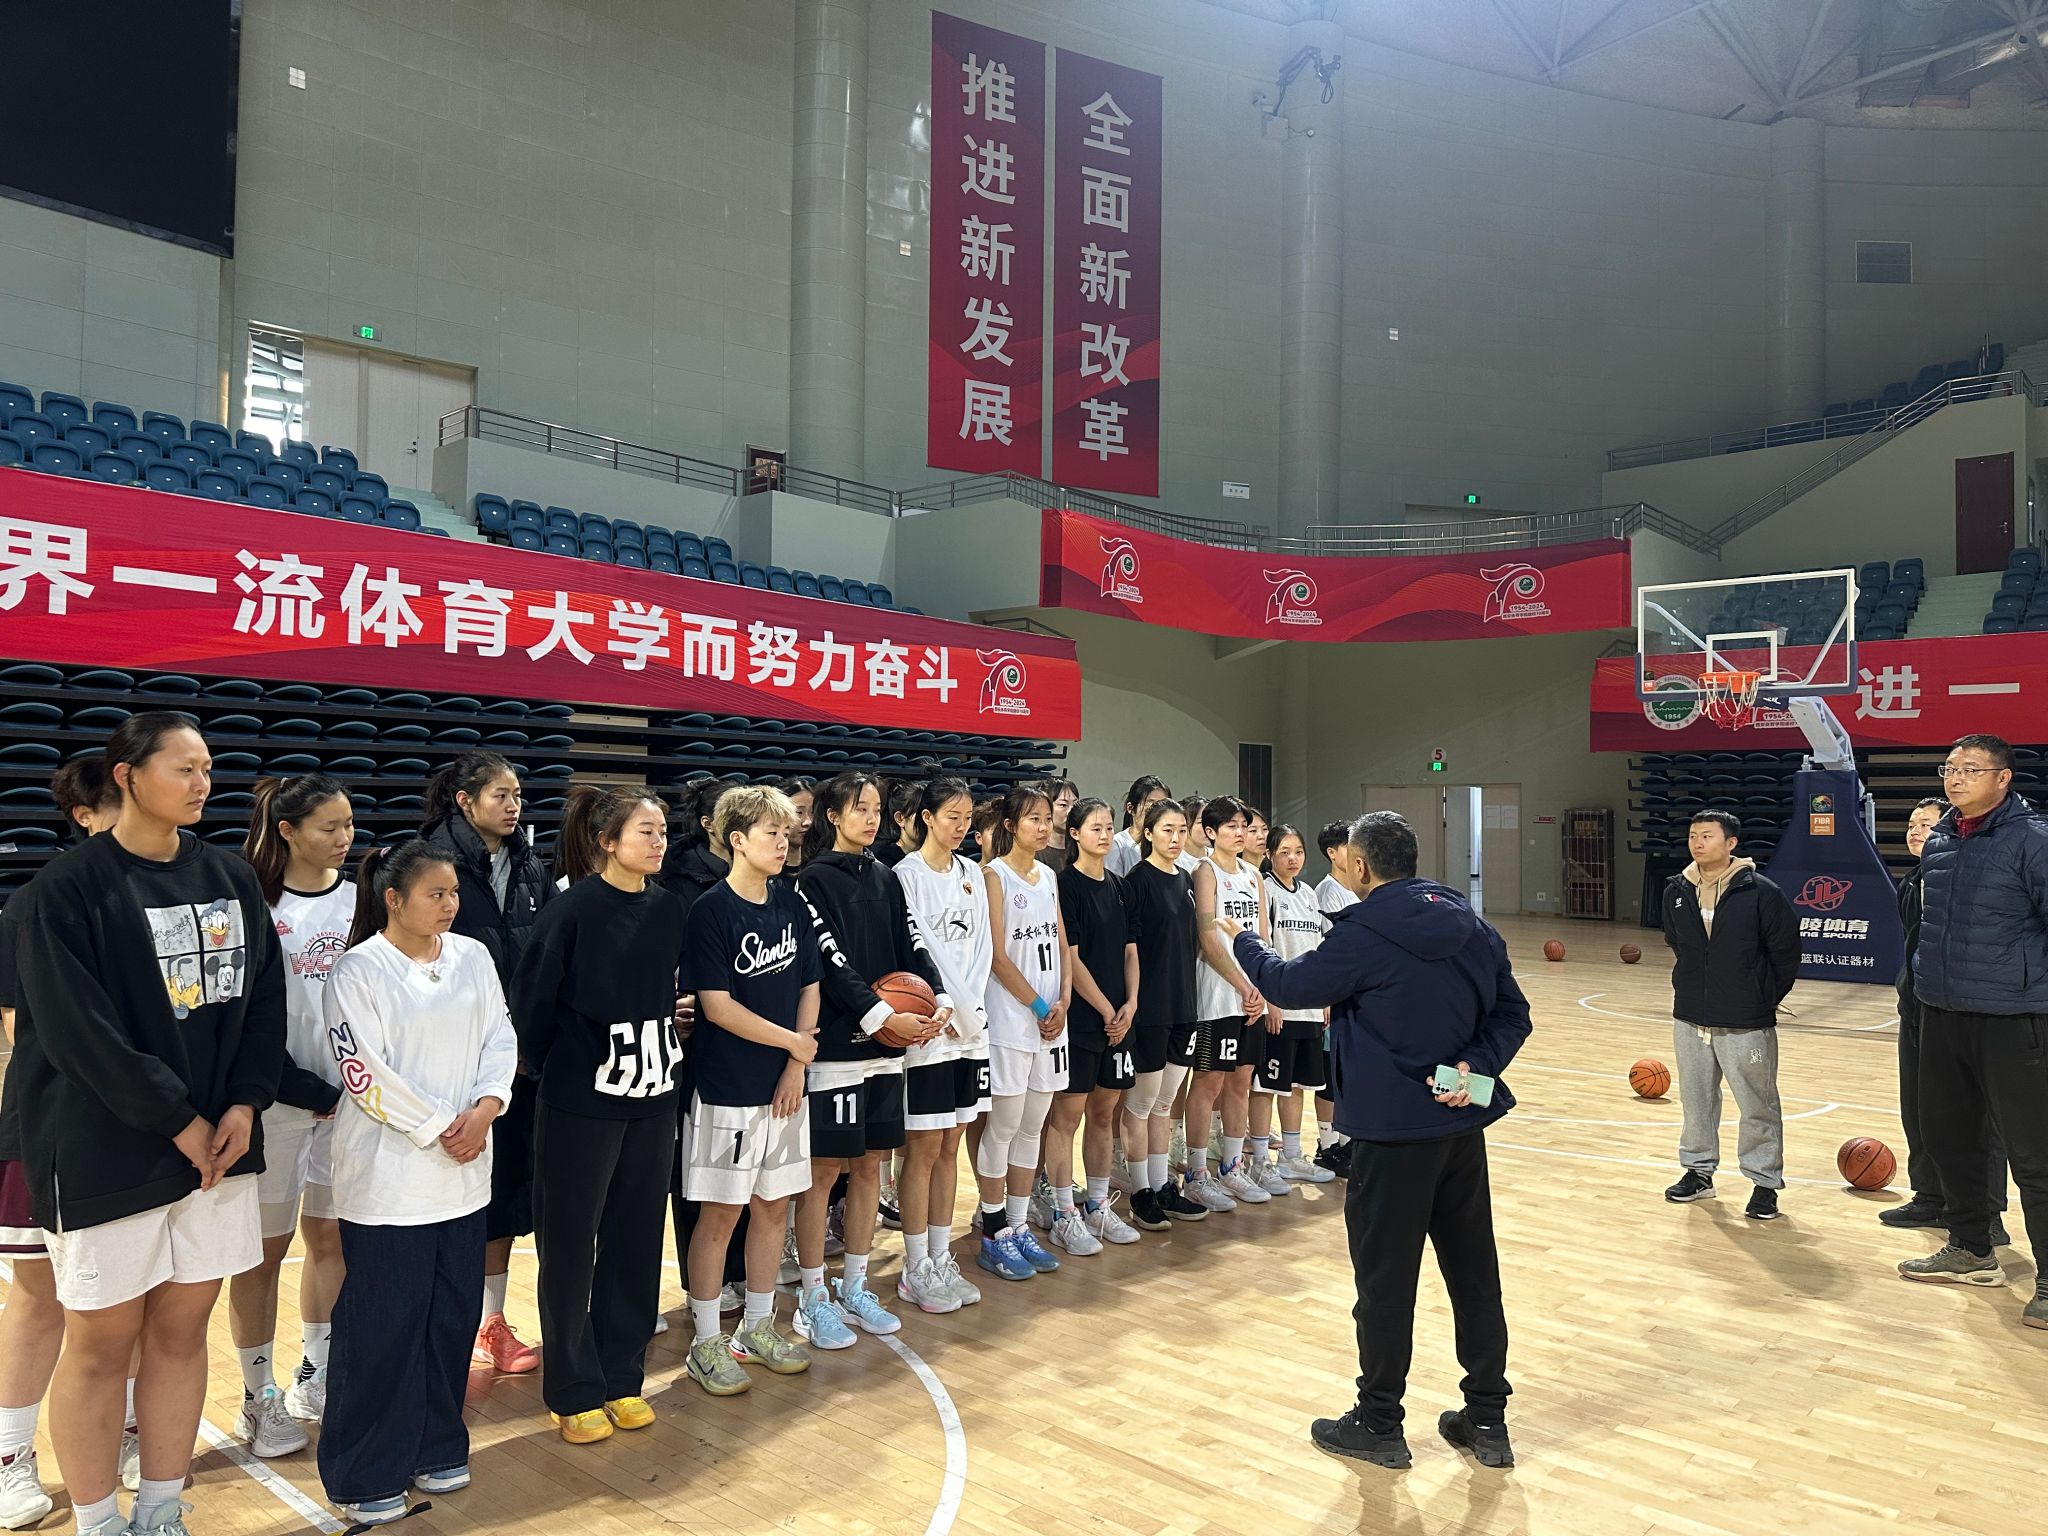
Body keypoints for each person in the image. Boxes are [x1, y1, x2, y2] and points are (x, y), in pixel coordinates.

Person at [9, 714, 286, 1536]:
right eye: (184, 768)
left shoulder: (231, 877)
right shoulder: (65, 891)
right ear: (128, 776)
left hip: (219, 1150)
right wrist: (177, 1119)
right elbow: (80, 1034)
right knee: (100, 1346)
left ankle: (162, 1509)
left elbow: (263, 1003)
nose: (202, 783)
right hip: (106, 1152)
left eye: (207, 768)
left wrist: (244, 1103)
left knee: (181, 1333)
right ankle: (97, 1520)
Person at [1231, 811, 1530, 1471]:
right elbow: (1514, 1013)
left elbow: (1286, 985)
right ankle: (1487, 1420)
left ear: (1361, 866)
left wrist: (1242, 940)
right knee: (1475, 1275)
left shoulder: (1364, 932)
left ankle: (1379, 1422)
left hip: (1391, 1135)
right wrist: (1476, 1067)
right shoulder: (1470, 921)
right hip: (1461, 1125)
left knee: (1385, 1284)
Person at [318, 840, 516, 1526]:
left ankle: (436, 1443)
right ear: (393, 899)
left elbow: (501, 1038)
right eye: (435, 894)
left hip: (465, 1176)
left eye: (454, 892)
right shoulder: (358, 970)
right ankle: (362, 1470)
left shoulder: (473, 956)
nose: (450, 904)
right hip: (389, 1183)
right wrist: (440, 1126)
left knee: (450, 1318)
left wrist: (486, 1108)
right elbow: (364, 1073)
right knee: (383, 1327)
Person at [510, 786, 685, 1443]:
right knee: (569, 1246)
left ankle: (621, 1377)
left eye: (662, 831)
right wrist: (547, 1067)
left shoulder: (668, 907)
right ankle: (572, 1388)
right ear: (607, 841)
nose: (658, 842)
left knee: (635, 1242)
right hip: (581, 1101)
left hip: (654, 1096)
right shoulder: (572, 909)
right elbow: (532, 1001)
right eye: (645, 831)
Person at [0, 761, 126, 1531]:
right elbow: (24, 1030)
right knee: (40, 1295)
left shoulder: (172, 894)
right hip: (49, 1129)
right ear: (85, 815)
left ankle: (135, 1431)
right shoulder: (36, 903)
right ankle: (11, 1457)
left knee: (138, 1296)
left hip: (143, 1131)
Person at [791, 773, 948, 1347]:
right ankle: (812, 1296)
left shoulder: (886, 876)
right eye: (860, 808)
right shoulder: (811, 879)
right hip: (838, 1046)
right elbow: (829, 960)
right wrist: (881, 1016)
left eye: (877, 808)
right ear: (832, 815)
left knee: (871, 1165)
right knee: (822, 1172)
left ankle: (855, 1285)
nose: (871, 817)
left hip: (887, 1048)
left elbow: (912, 942)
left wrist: (940, 998)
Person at [1897, 734, 2048, 1323]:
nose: (1955, 778)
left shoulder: (2033, 839)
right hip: (1943, 1013)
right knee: (1950, 1139)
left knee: (2034, 1155)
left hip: (2014, 1019)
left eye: (1970, 769)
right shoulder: (1940, 839)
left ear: (2003, 778)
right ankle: (1971, 1249)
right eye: (1949, 768)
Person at [227, 775, 355, 1457]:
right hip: (274, 1106)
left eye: (349, 824)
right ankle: (258, 1396)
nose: (344, 838)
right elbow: (244, 1018)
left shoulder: (361, 901)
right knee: (263, 1253)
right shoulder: (253, 901)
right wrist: (297, 1086)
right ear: (287, 830)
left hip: (348, 1104)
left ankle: (315, 1374)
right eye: (330, 827)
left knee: (331, 1238)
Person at [679, 785, 819, 1393]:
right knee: (721, 1215)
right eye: (771, 833)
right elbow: (716, 1006)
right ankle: (706, 1340)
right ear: (736, 839)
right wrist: (793, 1044)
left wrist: (795, 1065)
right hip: (727, 1086)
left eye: (787, 833)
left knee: (773, 1207)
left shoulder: (790, 902)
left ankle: (757, 1326)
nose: (783, 843)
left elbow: (810, 983)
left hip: (784, 1086)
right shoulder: (710, 910)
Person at [420, 751, 552, 1374]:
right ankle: (434, 1324)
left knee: (503, 1197)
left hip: (517, 1062)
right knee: (446, 1201)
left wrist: (528, 1043)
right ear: (464, 800)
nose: (514, 805)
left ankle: (490, 1322)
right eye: (500, 794)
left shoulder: (529, 864)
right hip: (446, 1062)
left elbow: (546, 956)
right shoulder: (430, 861)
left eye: (518, 795)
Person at [1660, 809, 1798, 1221]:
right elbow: (1678, 943)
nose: (1698, 843)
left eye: (1707, 835)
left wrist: (1760, 997)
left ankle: (1764, 1183)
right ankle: (1698, 1173)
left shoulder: (1760, 891)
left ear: (1731, 843)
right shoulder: (1676, 890)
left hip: (1746, 1019)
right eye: (1693, 835)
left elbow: (1786, 953)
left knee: (1757, 1104)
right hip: (1690, 1015)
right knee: (1696, 1100)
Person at [891, 775, 994, 1312]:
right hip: (930, 1029)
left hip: (969, 1027)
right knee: (923, 1147)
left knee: (952, 1143)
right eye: (952, 816)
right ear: (926, 818)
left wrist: (969, 1009)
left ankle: (939, 1256)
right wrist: (945, 1006)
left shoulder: (972, 873)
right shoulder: (904, 876)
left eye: (967, 818)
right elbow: (917, 950)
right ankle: (914, 1267)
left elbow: (983, 949)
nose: (961, 826)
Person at [1884, 796, 2008, 1239]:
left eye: (1926, 825)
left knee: (1976, 1117)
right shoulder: (1911, 882)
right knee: (1919, 1108)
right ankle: (1930, 1197)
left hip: (1961, 1009)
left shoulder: (1967, 881)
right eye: (1911, 824)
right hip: (1916, 1006)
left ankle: (1987, 1215)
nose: (1915, 831)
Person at [974, 786, 1070, 1281]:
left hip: (1052, 1022)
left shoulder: (1049, 875)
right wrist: (1037, 1004)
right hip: (1012, 1019)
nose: (1043, 826)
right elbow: (996, 955)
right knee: (1005, 1126)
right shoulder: (994, 875)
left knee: (1033, 1127)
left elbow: (1062, 942)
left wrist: (1064, 999)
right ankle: (993, 1231)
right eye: (1033, 818)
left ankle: (1017, 1225)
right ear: (1010, 825)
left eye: (1047, 818)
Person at [1048, 796, 1143, 1248]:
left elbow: (1131, 950)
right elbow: (1070, 958)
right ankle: (1063, 1211)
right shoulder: (1064, 886)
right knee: (1066, 1117)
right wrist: (1106, 1009)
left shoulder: (1121, 887)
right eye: (1095, 828)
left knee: (1104, 1114)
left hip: (1120, 1020)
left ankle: (1098, 1206)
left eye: (1109, 827)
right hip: (1085, 1020)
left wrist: (1132, 1004)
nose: (1104, 835)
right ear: (1075, 833)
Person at [1119, 799, 1208, 1228]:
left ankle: (1161, 1186)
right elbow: (1129, 951)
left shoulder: (1187, 879)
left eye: (1181, 830)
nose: (1175, 838)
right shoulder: (1136, 882)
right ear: (1149, 832)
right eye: (1167, 830)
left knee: (1165, 1103)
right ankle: (1139, 1191)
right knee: (1140, 1103)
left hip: (1183, 1006)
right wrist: (1133, 1002)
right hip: (1150, 1009)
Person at [1182, 796, 1270, 1212]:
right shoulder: (1205, 871)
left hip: (1252, 995)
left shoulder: (1254, 876)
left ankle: (1232, 1166)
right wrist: (1241, 983)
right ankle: (1196, 1174)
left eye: (1243, 826)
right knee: (1209, 1081)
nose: (1239, 833)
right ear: (1211, 832)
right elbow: (1207, 937)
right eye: (1230, 826)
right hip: (1218, 995)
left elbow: (1263, 937)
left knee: (1242, 1079)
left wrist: (1262, 984)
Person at [1255, 825, 1336, 1187]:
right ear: (1270, 854)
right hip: (1279, 1007)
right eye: (1284, 851)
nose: (1293, 858)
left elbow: (1318, 950)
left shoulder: (1308, 894)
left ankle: (1290, 1156)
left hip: (1309, 1007)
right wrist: (1270, 1000)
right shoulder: (1265, 890)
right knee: (1267, 1086)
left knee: (1299, 1085)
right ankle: (1260, 1160)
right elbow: (1262, 949)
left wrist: (1324, 996)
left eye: (1298, 851)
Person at [1311, 821, 1358, 1178]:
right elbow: (1328, 952)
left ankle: (1346, 1140)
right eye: (1348, 846)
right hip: (1335, 995)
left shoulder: (1356, 889)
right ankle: (1327, 1146)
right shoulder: (1327, 893)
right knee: (1329, 1077)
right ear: (1332, 852)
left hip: (1355, 996)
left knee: (1348, 1075)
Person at [1105, 776, 1169, 878]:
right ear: (1130, 808)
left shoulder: (1169, 845)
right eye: (1150, 809)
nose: (1157, 815)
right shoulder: (1117, 845)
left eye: (1163, 810)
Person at [1038, 778, 1079, 873]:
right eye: (1063, 805)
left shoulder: (1082, 848)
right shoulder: (1035, 851)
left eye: (1075, 804)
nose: (1071, 811)